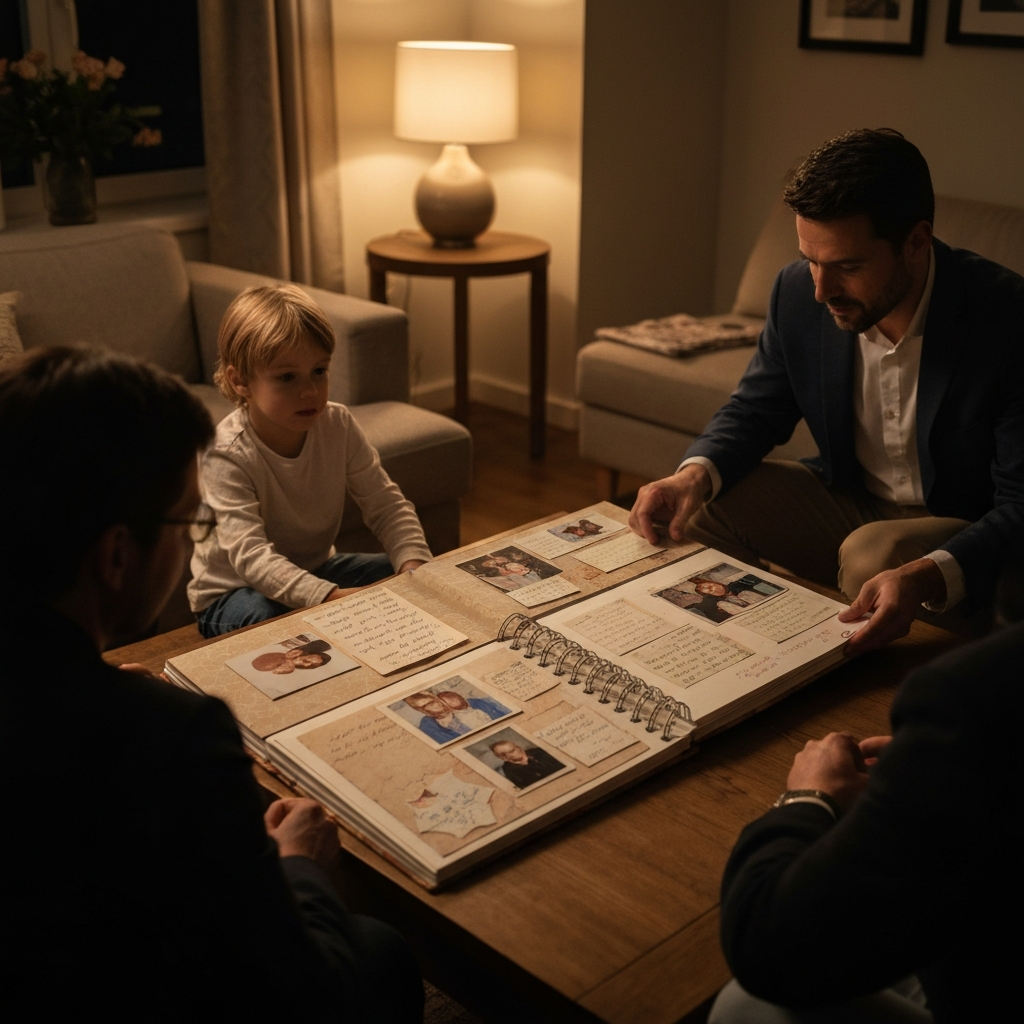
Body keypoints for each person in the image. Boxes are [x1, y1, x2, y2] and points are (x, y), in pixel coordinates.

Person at [0, 347, 423, 1021]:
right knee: (381, 950)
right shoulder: (177, 738)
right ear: (115, 554)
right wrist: (302, 866)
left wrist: (85, 685)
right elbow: (298, 994)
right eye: (188, 522)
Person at [629, 129, 1024, 655]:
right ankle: (738, 664)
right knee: (699, 504)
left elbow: (1020, 505)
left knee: (872, 554)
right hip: (851, 497)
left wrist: (928, 574)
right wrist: (692, 475)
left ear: (916, 242)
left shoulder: (1007, 318)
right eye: (812, 260)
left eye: (848, 267)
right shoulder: (796, 292)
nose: (821, 289)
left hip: (965, 529)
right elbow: (756, 408)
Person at [708, 611, 1024, 1023]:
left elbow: (768, 948)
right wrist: (934, 764)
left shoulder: (971, 692)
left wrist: (808, 798)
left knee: (746, 1007)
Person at [189, 284, 432, 637]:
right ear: (240, 381)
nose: (309, 391)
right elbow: (252, 557)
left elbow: (386, 504)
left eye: (319, 371)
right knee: (271, 621)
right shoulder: (224, 454)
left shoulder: (338, 424)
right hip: (232, 593)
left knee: (407, 576)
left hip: (317, 569)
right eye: (287, 377)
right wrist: (332, 598)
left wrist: (415, 567)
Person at [490, 740, 565, 789]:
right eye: (502, 755)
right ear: (502, 757)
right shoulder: (509, 769)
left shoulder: (538, 752)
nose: (506, 756)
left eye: (513, 749)